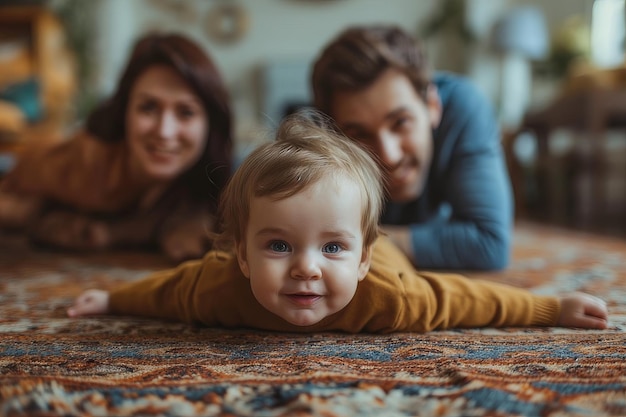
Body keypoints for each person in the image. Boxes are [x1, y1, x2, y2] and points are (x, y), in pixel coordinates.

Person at [67, 114, 608, 333]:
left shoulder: (393, 296)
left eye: (332, 248)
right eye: (278, 245)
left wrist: (550, 308)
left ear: (360, 257)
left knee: (410, 264)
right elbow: (167, 291)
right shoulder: (216, 285)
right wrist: (113, 300)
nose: (306, 269)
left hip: (395, 255)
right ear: (240, 254)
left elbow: (467, 299)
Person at [0, 32, 232, 262]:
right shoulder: (84, 164)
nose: (165, 131)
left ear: (211, 124)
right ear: (125, 113)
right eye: (148, 107)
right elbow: (20, 182)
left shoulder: (221, 180)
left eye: (186, 112)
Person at [311, 25, 512, 270]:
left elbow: (489, 244)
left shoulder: (463, 108)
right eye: (359, 134)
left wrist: (356, 242)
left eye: (400, 122)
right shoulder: (315, 138)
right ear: (333, 136)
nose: (389, 155)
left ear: (432, 105)